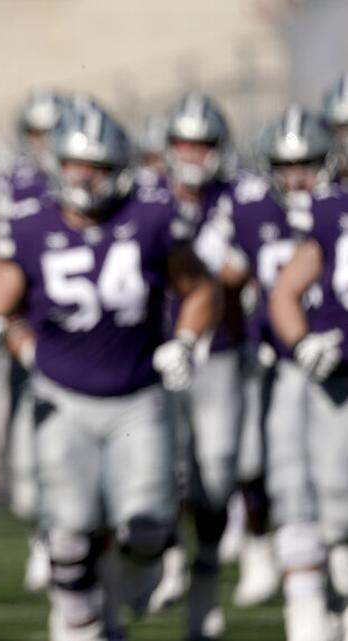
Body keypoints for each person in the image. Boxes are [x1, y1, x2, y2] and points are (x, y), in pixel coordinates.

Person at [0, 99, 217, 640]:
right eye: (75, 164)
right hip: (63, 396)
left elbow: (199, 287)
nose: (83, 178)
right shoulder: (32, 224)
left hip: (137, 393)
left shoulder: (151, 218)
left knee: (146, 526)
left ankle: (142, 571)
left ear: (119, 169)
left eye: (98, 166)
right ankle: (84, 629)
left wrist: (186, 339)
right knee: (68, 531)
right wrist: (10, 337)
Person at [145, 93, 242, 639]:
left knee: (219, 470)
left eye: (203, 144)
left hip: (220, 355)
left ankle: (204, 579)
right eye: (184, 142)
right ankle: (172, 558)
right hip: (160, 353)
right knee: (167, 466)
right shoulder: (147, 199)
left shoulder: (241, 200)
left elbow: (241, 272)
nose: (193, 153)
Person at [263, 105, 348, 641]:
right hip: (336, 374)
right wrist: (301, 341)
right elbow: (286, 291)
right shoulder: (333, 210)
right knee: (328, 495)